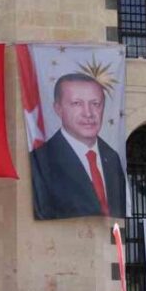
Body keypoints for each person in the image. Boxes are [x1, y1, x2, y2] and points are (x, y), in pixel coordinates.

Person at [30, 73, 126, 220]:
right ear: (58, 108)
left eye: (95, 104)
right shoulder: (41, 159)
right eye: (77, 103)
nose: (88, 113)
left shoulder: (112, 157)